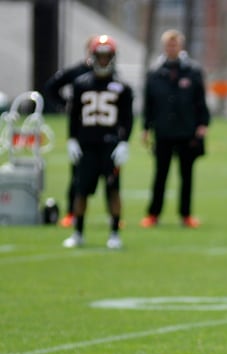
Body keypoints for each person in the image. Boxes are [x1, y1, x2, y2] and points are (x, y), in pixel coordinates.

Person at [61, 35, 133, 249]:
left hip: (110, 146)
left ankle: (115, 233)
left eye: (106, 56)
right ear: (93, 56)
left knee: (113, 189)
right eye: (100, 56)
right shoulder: (81, 84)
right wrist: (72, 139)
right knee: (81, 190)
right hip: (87, 144)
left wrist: (124, 142)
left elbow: (127, 118)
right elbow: (73, 115)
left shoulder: (122, 87)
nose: (103, 60)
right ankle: (78, 232)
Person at [140, 29, 210, 228]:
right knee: (160, 175)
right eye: (169, 45)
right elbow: (148, 104)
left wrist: (203, 124)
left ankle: (186, 215)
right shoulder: (155, 72)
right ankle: (153, 214)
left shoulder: (193, 71)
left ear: (181, 47)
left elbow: (200, 101)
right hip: (163, 131)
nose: (172, 48)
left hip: (187, 131)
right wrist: (146, 128)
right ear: (164, 47)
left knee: (186, 176)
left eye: (175, 44)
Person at [42, 35, 98, 228]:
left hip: (106, 132)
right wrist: (64, 105)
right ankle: (71, 213)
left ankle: (114, 217)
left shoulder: (112, 76)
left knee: (111, 176)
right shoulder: (77, 72)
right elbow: (51, 87)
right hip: (81, 131)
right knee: (77, 174)